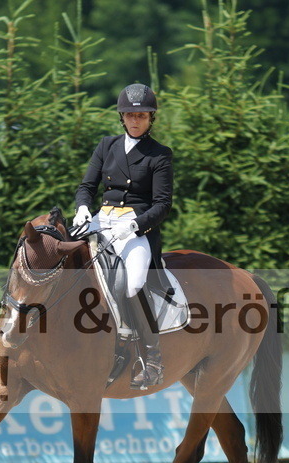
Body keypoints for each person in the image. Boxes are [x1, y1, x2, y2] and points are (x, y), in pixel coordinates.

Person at [71, 83, 173, 390]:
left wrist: (134, 226)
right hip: (101, 220)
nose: (135, 120)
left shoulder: (160, 154)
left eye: (141, 115)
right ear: (122, 117)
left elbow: (162, 205)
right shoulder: (107, 145)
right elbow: (87, 186)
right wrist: (82, 209)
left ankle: (152, 358)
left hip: (135, 228)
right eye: (130, 115)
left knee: (133, 285)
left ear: (150, 118)